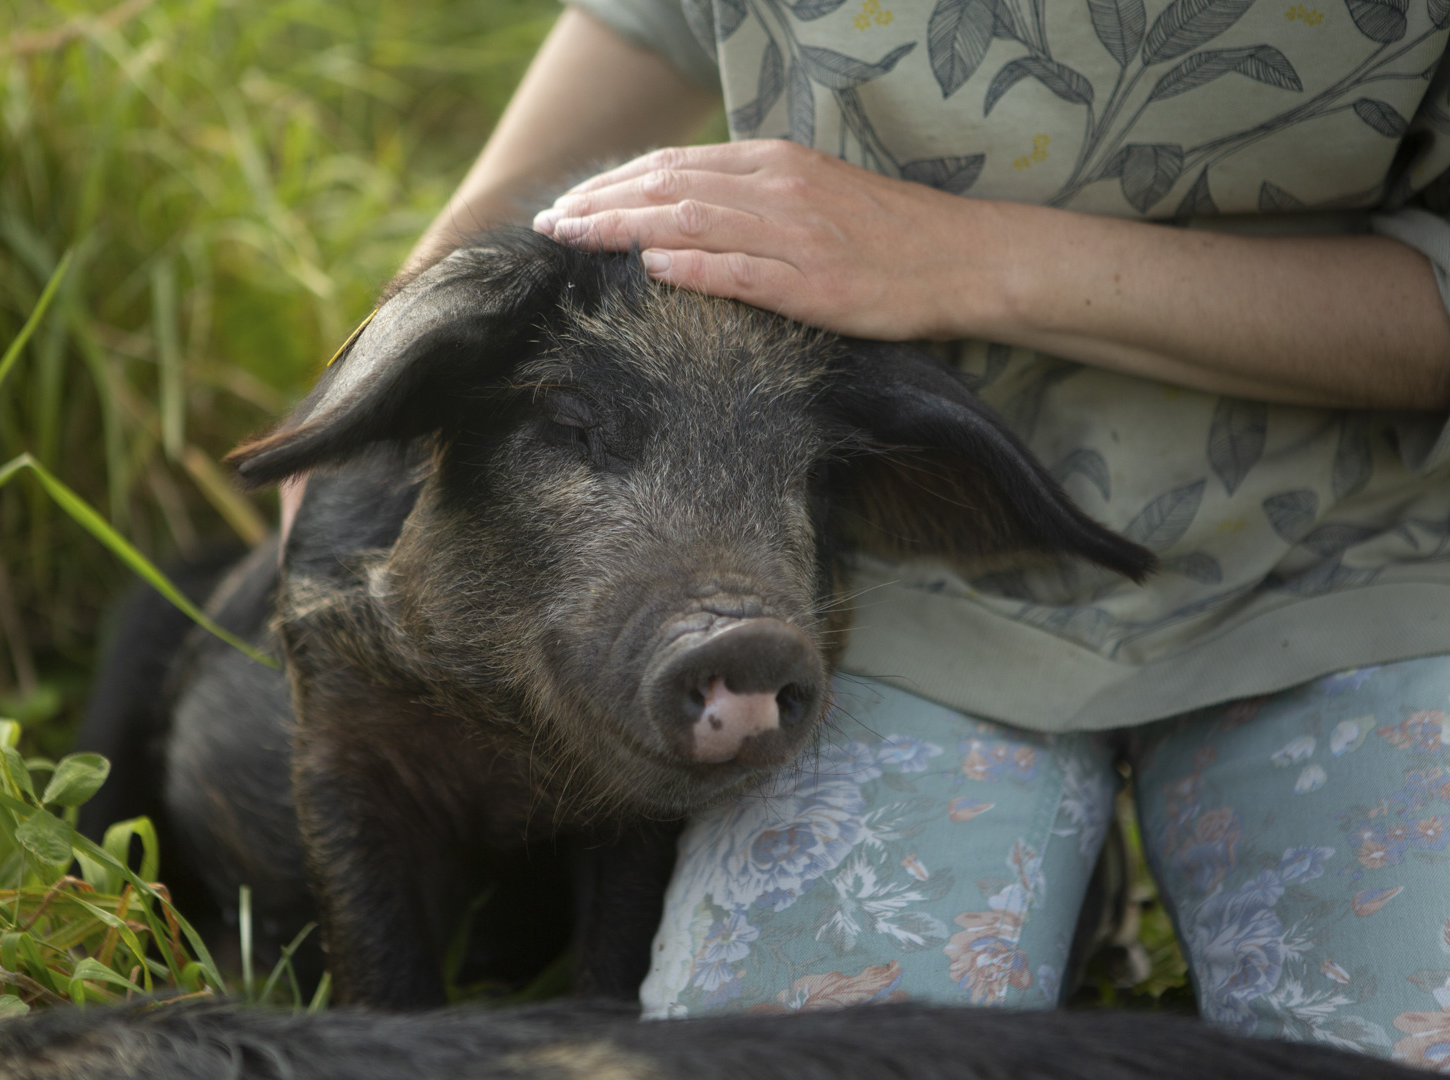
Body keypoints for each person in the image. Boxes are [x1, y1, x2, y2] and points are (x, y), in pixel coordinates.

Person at [287, 2, 1450, 1066]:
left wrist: (963, 257)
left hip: (1357, 564)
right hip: (908, 610)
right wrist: (382, 361)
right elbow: (659, 23)